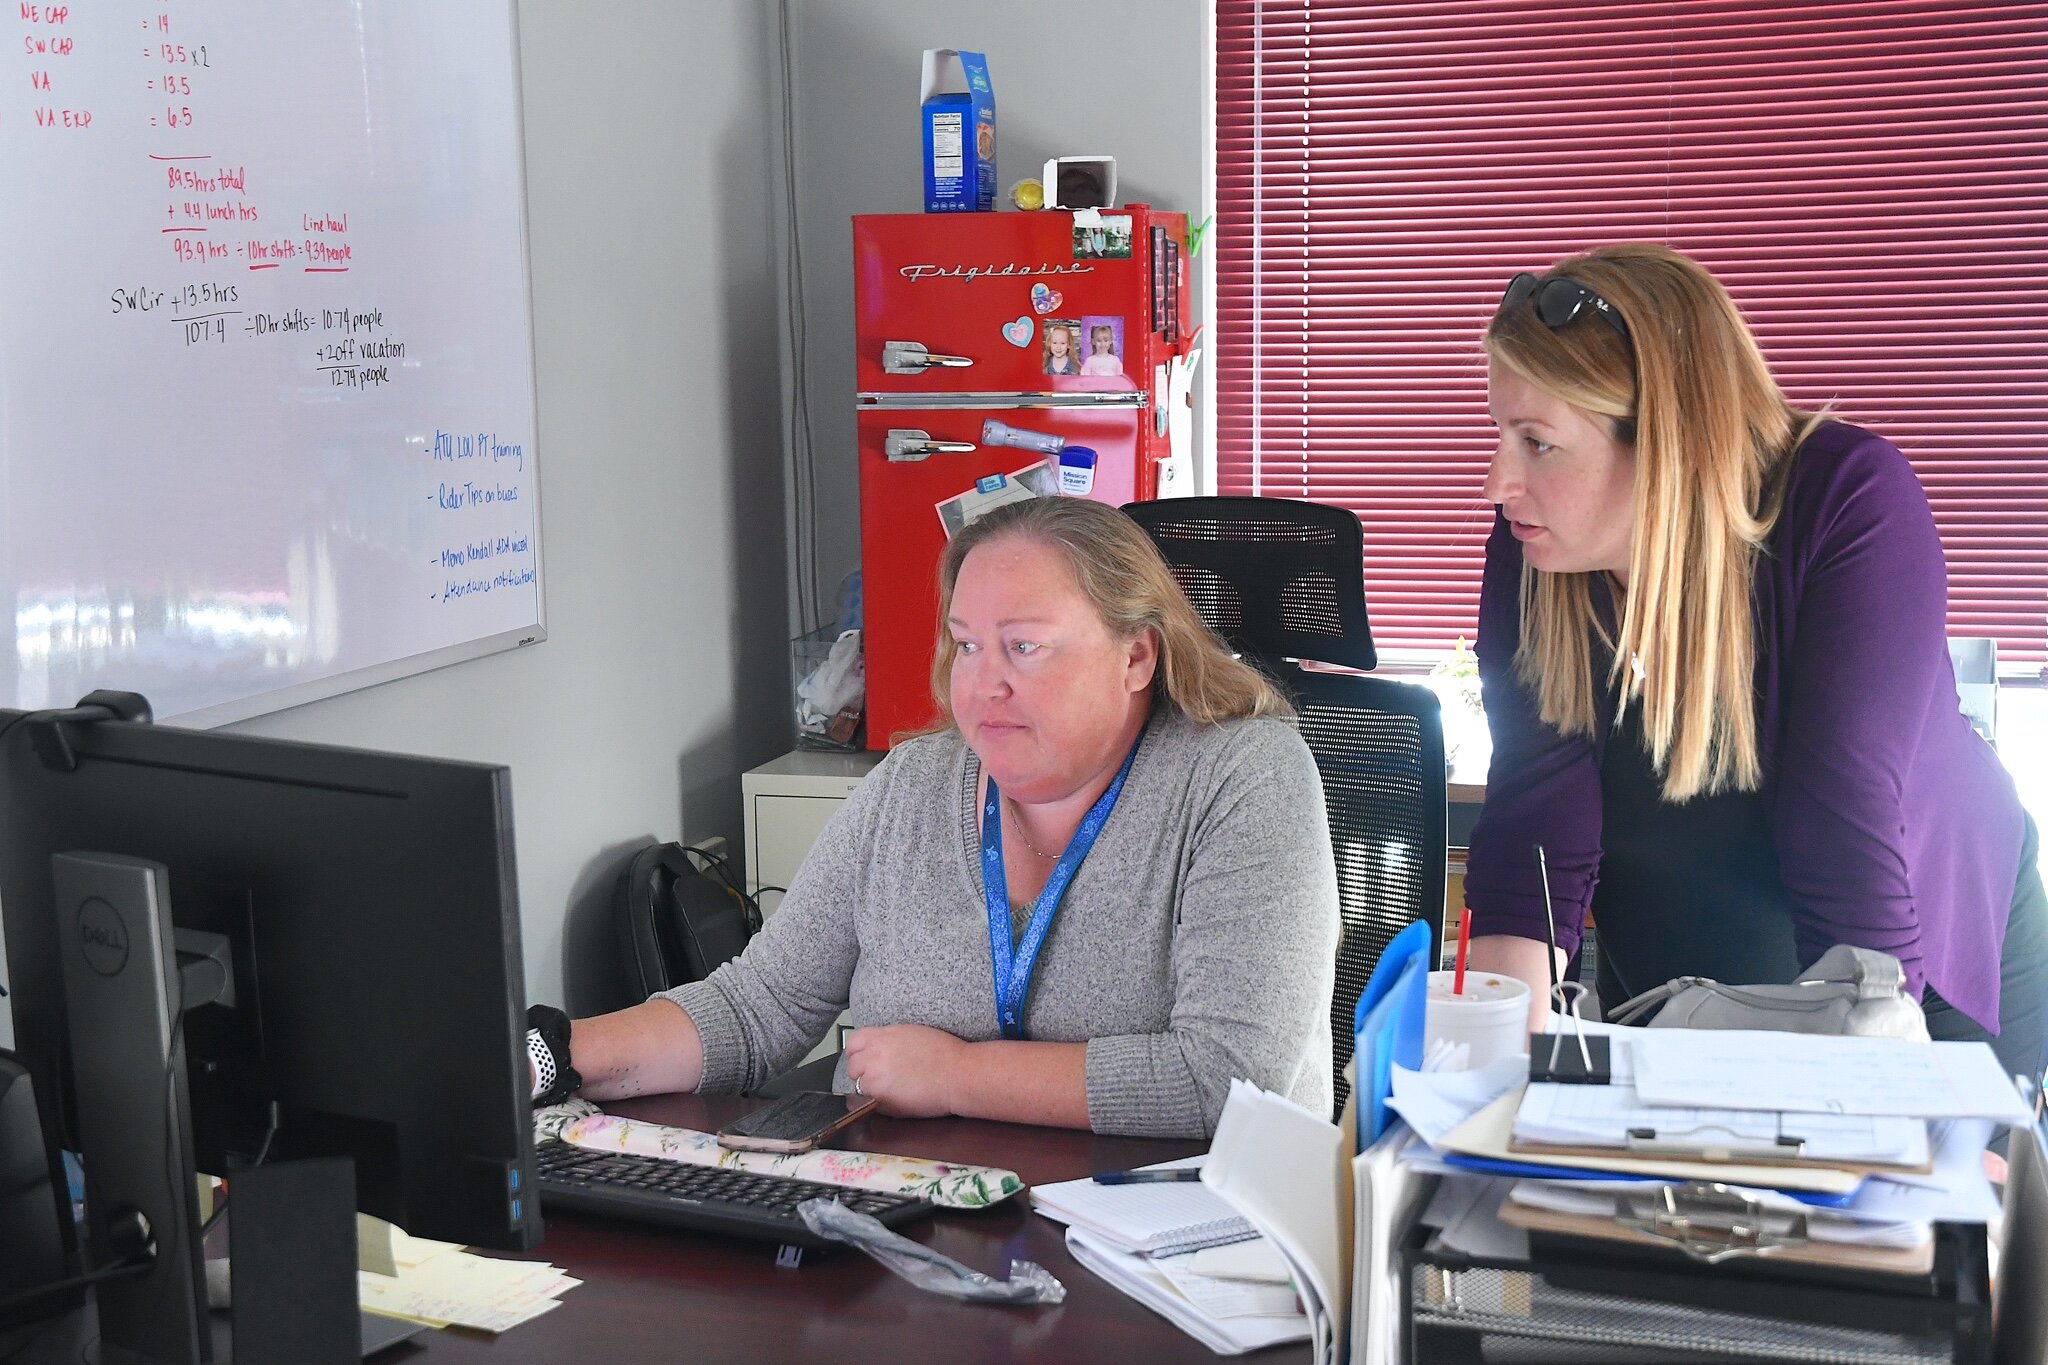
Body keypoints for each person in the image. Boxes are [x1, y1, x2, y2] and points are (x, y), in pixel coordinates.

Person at [529, 497, 1340, 1138]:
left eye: (1024, 647)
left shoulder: (1243, 779)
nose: (983, 685)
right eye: (967, 645)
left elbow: (1229, 1079)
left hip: (1183, 1252)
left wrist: (954, 1074)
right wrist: (545, 1053)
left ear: (1136, 655)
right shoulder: (916, 786)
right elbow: (760, 1005)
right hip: (914, 1223)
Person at [1463, 243, 2046, 1090]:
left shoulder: (1849, 502)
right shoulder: (1538, 555)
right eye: (1499, 433)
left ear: (1662, 440)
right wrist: (1489, 1085)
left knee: (1901, 1214)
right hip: (1682, 958)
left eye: (1538, 443)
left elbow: (1842, 823)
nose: (1498, 481)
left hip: (1909, 958)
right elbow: (1532, 829)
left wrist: (1882, 1122)